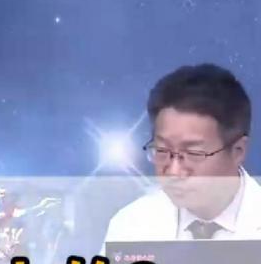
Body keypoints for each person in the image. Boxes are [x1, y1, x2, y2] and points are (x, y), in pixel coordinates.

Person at [104, 64, 260, 243]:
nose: (174, 172)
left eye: (193, 153)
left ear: (238, 151)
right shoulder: (129, 225)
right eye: (162, 150)